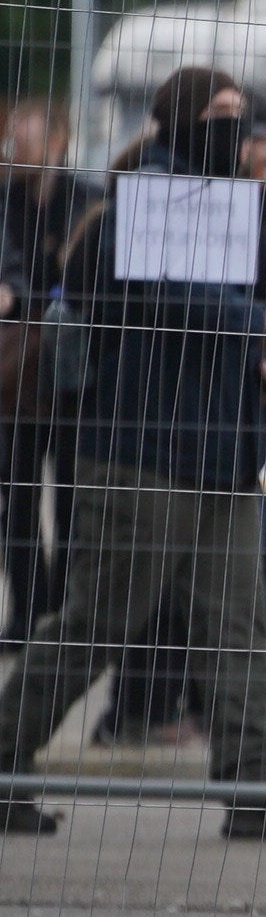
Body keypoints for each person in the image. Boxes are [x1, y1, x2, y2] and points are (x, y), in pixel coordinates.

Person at [0, 68, 266, 840]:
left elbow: (219, 313)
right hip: (142, 452)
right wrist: (253, 321)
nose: (238, 128)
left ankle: (256, 785)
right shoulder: (144, 200)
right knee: (98, 621)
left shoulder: (225, 201)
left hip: (220, 451)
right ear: (180, 119)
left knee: (234, 623)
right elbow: (164, 294)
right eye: (222, 115)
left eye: (241, 115)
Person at [0, 102, 78, 648]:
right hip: (16, 373)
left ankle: (66, 611)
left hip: (71, 371)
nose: (13, 150)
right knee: (17, 497)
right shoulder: (6, 202)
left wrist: (24, 296)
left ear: (57, 142)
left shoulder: (84, 201)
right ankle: (27, 610)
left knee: (74, 498)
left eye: (23, 140)